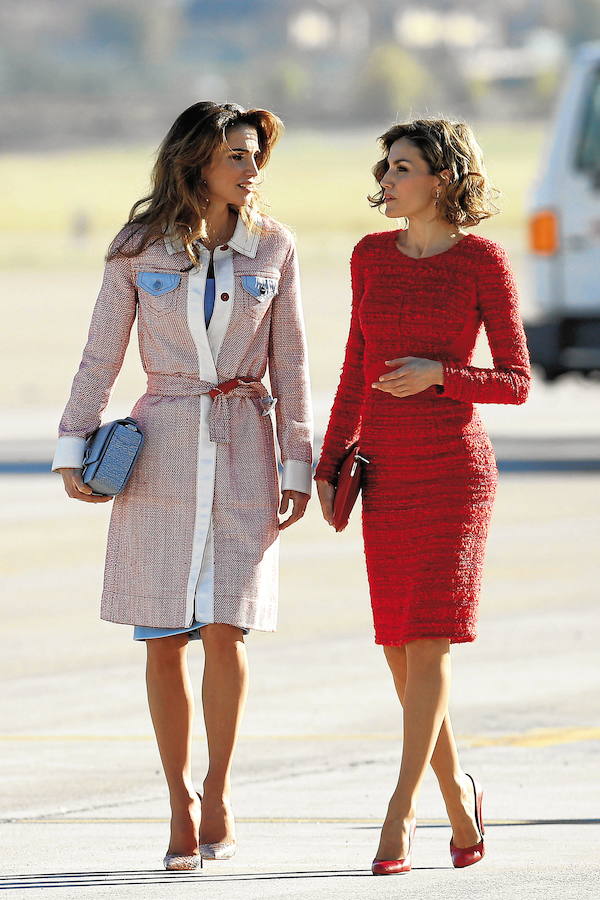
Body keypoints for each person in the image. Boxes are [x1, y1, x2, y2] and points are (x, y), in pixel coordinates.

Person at [51, 101, 313, 870]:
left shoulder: (275, 248)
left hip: (243, 452)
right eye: (237, 155)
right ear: (197, 160)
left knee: (228, 631)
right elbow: (99, 355)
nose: (252, 169)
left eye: (255, 156)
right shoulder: (137, 248)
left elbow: (292, 366)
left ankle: (220, 790)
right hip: (159, 451)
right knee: (163, 636)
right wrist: (75, 449)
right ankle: (177, 803)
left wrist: (297, 461)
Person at [314, 118, 530, 875]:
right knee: (401, 648)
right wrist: (331, 451)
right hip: (388, 470)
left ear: (440, 178)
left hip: (454, 471)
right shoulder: (369, 256)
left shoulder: (482, 262)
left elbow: (516, 381)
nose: (387, 178)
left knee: (431, 637)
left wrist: (442, 374)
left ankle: (397, 815)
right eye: (386, 166)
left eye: (401, 167)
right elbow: (353, 364)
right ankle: (460, 799)